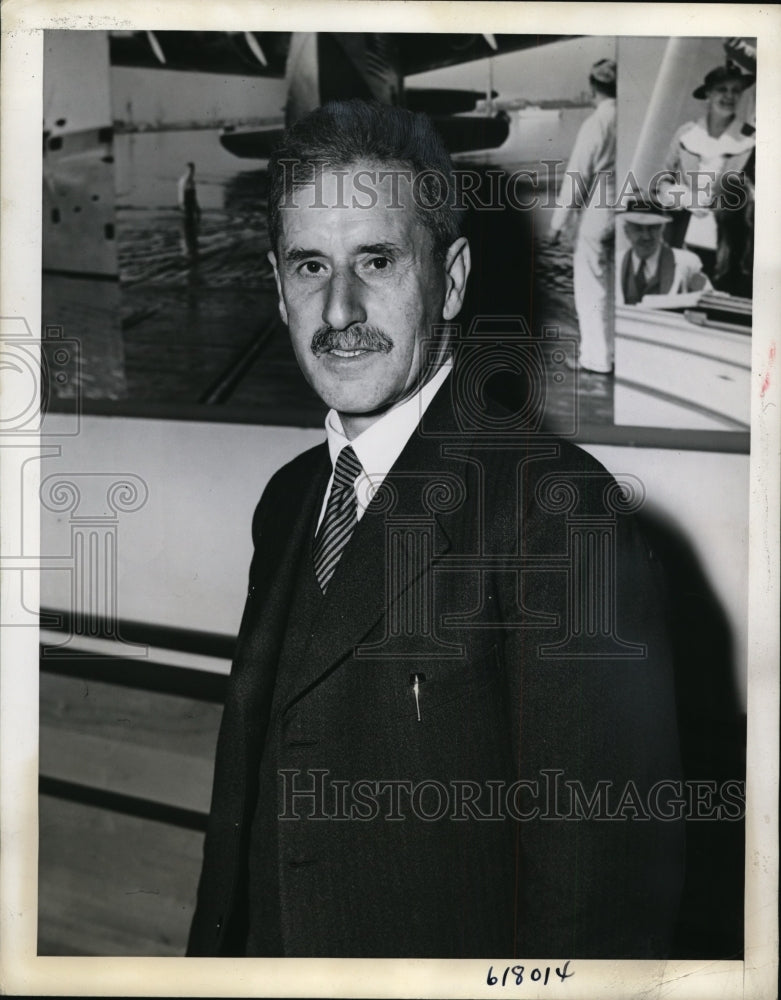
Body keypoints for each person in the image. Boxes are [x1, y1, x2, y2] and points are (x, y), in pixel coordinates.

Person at [187, 100, 683, 960]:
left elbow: (599, 908)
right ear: (276, 286)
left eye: (376, 260)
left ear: (450, 278)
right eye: (310, 266)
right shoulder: (291, 498)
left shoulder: (558, 511)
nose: (338, 310)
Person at [655, 65, 755, 282]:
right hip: (681, 233)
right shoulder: (686, 133)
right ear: (708, 94)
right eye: (722, 89)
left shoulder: (751, 139)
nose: (730, 96)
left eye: (736, 90)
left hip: (728, 243)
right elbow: (661, 183)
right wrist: (684, 197)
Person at [549, 58, 616, 375]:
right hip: (628, 209)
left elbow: (577, 177)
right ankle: (616, 353)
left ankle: (596, 358)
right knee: (617, 285)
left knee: (592, 285)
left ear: (593, 87)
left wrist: (558, 224)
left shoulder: (597, 123)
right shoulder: (629, 118)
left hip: (599, 212)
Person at [618, 200, 712, 306]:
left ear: (662, 228)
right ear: (626, 231)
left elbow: (709, 300)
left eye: (652, 228)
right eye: (638, 229)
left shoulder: (687, 264)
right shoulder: (614, 264)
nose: (646, 236)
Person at [177, 161, 201, 258]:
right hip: (186, 204)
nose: (192, 172)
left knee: (193, 224)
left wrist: (198, 207)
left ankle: (193, 244)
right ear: (187, 170)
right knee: (187, 224)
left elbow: (194, 196)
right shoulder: (184, 180)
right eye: (190, 170)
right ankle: (187, 247)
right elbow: (181, 193)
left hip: (191, 203)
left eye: (193, 170)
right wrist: (182, 203)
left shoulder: (192, 181)